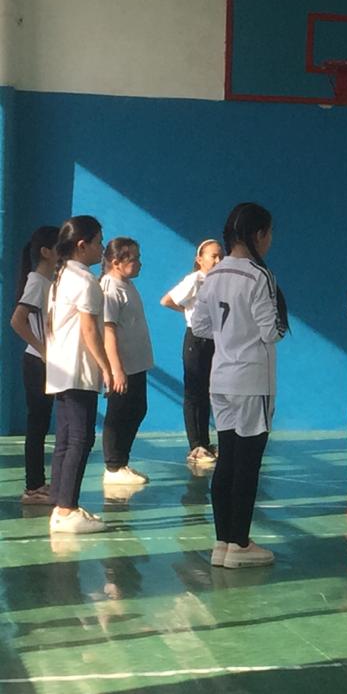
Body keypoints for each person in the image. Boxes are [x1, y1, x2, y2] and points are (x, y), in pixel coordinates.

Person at [192, 203, 288, 568]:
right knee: (247, 463)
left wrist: (229, 334)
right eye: (270, 232)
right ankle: (240, 545)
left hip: (221, 379)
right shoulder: (259, 276)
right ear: (259, 234)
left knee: (228, 460)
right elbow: (270, 331)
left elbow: (200, 326)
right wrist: (278, 323)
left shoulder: (213, 274)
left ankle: (223, 543)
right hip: (252, 380)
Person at [45, 216, 112, 534]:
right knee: (80, 439)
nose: (102, 248)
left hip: (61, 368)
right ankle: (66, 508)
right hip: (77, 369)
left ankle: (60, 504)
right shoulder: (84, 280)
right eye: (99, 242)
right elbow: (89, 330)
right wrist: (106, 366)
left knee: (66, 438)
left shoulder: (61, 277)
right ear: (82, 246)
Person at [160, 239, 224, 464]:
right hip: (196, 341)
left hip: (214, 341)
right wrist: (189, 312)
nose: (218, 260)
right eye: (213, 256)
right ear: (199, 259)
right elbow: (167, 300)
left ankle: (205, 443)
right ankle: (195, 446)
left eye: (221, 256)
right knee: (194, 392)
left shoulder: (221, 282)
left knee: (207, 392)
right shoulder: (194, 280)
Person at [9, 225, 59, 505]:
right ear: (46, 252)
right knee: (37, 425)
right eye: (60, 247)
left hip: (43, 362)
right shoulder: (37, 282)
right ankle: (33, 487)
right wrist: (44, 350)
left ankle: (38, 482)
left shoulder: (47, 281)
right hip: (36, 363)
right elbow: (17, 320)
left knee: (41, 423)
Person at [100, 237, 154, 486]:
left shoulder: (127, 285)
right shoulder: (110, 287)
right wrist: (116, 369)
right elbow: (108, 330)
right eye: (134, 259)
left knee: (137, 409)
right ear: (116, 262)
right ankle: (112, 466)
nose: (139, 263)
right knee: (118, 413)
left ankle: (122, 462)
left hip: (137, 364)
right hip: (122, 366)